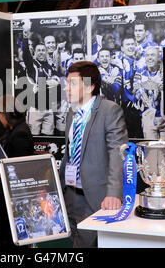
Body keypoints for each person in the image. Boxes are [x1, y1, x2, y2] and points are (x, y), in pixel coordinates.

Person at [59, 61, 128, 248]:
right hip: (71, 193)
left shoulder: (109, 110)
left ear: (90, 86)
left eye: (73, 83)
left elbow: (118, 152)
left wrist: (114, 193)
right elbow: (70, 153)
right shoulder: (72, 114)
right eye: (67, 83)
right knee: (74, 240)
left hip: (96, 197)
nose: (67, 88)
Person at [0, 95, 34, 248]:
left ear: (4, 114)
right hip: (12, 201)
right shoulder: (17, 130)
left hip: (13, 205)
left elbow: (19, 171)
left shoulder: (19, 134)